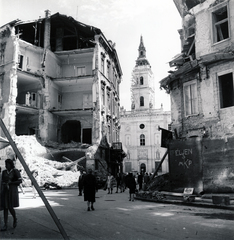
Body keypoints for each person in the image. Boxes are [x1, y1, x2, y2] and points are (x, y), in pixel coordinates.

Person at [1, 159, 22, 231]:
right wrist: (4, 184)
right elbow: (3, 180)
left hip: (12, 191)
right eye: (5, 164)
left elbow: (20, 180)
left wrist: (11, 183)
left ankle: (14, 218)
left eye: (7, 164)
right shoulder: (4, 172)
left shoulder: (15, 171)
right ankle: (5, 225)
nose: (6, 166)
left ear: (11, 164)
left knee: (10, 207)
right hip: (5, 191)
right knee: (5, 207)